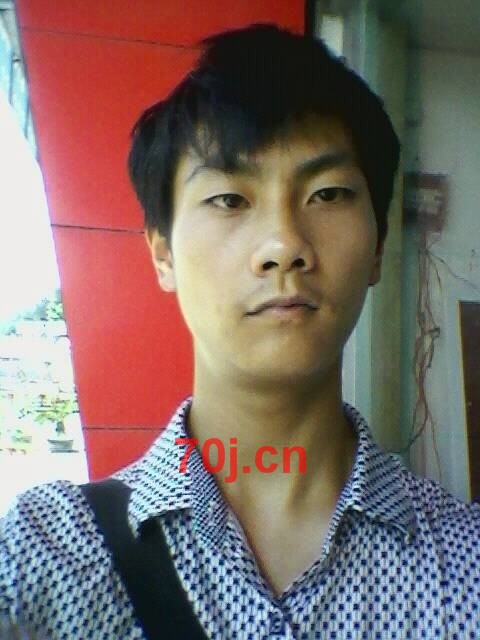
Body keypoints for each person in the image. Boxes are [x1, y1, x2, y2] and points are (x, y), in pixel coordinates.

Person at [1, 23, 479, 640]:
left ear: (379, 247)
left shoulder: (465, 566)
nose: (284, 245)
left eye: (328, 193)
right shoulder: (45, 558)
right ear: (162, 254)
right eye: (229, 199)